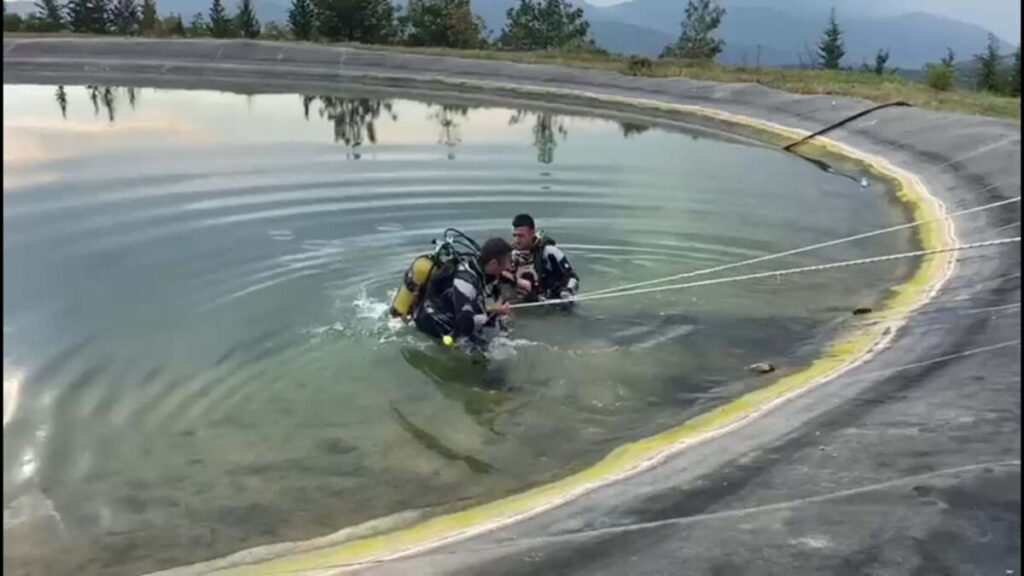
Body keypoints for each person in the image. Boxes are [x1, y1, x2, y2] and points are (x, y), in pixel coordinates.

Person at [413, 237, 513, 349]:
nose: (508, 267)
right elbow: (466, 325)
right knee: (480, 353)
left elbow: (488, 302)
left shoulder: (487, 274)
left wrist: (496, 310)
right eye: (507, 262)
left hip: (458, 312)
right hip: (434, 321)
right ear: (494, 263)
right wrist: (491, 314)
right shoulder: (466, 282)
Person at [505, 214, 580, 304]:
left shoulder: (549, 252)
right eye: (514, 235)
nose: (517, 240)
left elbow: (572, 277)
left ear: (532, 233)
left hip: (553, 302)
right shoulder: (508, 256)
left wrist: (568, 291)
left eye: (521, 236)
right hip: (523, 303)